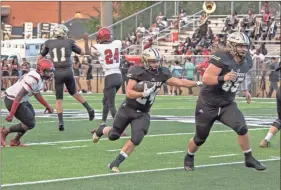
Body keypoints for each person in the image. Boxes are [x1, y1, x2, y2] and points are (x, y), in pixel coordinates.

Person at [91, 47, 203, 173]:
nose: (155, 64)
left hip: (142, 113)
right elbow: (129, 93)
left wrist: (197, 83)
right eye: (152, 61)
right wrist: (143, 94)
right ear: (145, 61)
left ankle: (115, 163)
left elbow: (179, 82)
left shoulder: (162, 73)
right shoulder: (137, 71)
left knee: (137, 137)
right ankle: (101, 129)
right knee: (114, 135)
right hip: (127, 109)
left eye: (157, 61)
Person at [184, 32, 266, 171]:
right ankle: (189, 155)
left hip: (227, 103)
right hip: (208, 104)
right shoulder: (222, 58)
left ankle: (249, 158)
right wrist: (223, 78)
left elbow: (242, 75)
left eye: (245, 46)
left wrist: (245, 90)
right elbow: (206, 79)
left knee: (242, 127)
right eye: (240, 46)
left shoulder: (248, 60)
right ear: (232, 46)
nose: (243, 49)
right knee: (200, 138)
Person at [38, 24, 95, 131]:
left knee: (59, 98)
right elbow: (82, 52)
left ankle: (60, 122)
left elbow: (40, 57)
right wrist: (86, 42)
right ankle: (89, 109)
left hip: (57, 73)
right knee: (74, 93)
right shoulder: (69, 42)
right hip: (68, 71)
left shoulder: (49, 43)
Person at [0, 59, 54, 147]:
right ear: (40, 69)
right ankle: (5, 131)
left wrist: (47, 105)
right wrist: (11, 114)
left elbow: (37, 94)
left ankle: (15, 141)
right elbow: (19, 96)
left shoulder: (39, 78)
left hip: (22, 100)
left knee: (30, 120)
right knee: (30, 122)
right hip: (12, 99)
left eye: (50, 71)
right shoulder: (33, 79)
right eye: (47, 71)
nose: (49, 73)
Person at [90, 27, 123, 123]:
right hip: (118, 76)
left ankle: (119, 128)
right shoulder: (117, 43)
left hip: (110, 77)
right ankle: (102, 123)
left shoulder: (98, 47)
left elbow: (90, 53)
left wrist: (86, 40)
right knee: (106, 100)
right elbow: (114, 40)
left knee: (110, 104)